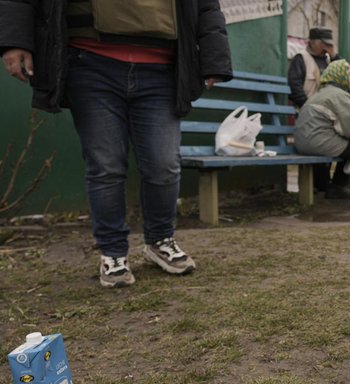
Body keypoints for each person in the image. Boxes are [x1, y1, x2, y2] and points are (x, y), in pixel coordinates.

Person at [1, 0, 232, 288]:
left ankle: (160, 239)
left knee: (164, 165)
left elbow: (206, 5)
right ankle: (113, 252)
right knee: (105, 165)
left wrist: (214, 58)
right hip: (90, 60)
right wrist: (14, 40)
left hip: (162, 66)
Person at [294, 60, 350, 208]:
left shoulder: (322, 93)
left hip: (303, 143)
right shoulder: (339, 95)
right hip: (316, 142)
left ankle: (336, 188)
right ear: (339, 75)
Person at [288, 27, 350, 198]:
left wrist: (334, 55)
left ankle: (332, 186)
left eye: (329, 45)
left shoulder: (331, 61)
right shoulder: (301, 59)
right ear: (313, 43)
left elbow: (346, 73)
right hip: (308, 115)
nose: (326, 48)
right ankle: (320, 186)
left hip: (331, 115)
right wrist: (310, 108)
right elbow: (295, 89)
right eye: (323, 44)